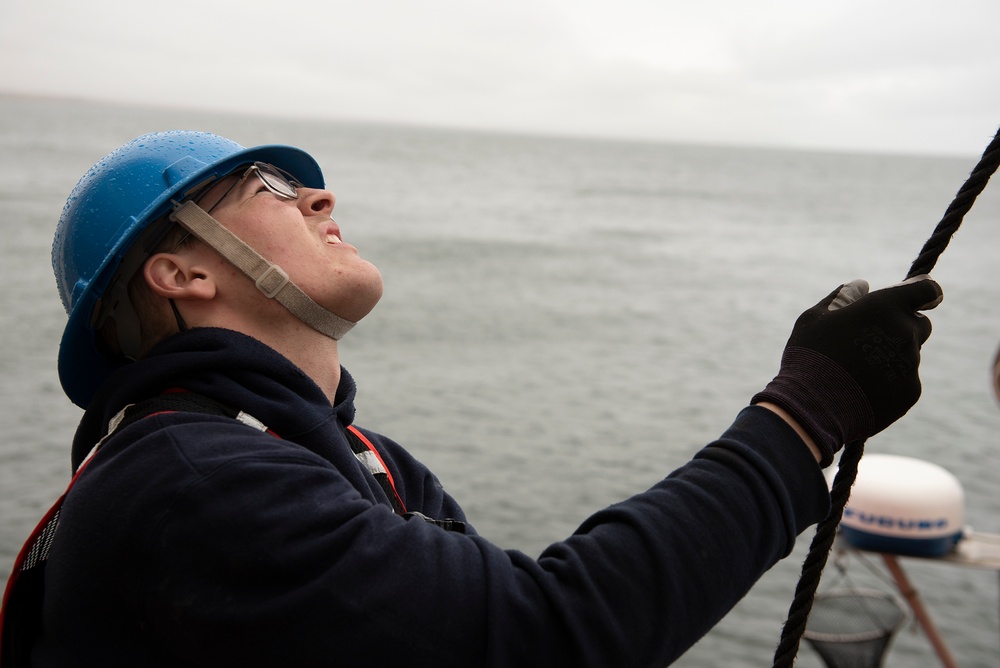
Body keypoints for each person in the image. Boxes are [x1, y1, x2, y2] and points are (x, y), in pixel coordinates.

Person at [0, 131, 942, 667]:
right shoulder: (192, 482)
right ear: (180, 272)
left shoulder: (366, 464)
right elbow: (548, 641)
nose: (322, 199)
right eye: (275, 186)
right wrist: (803, 412)